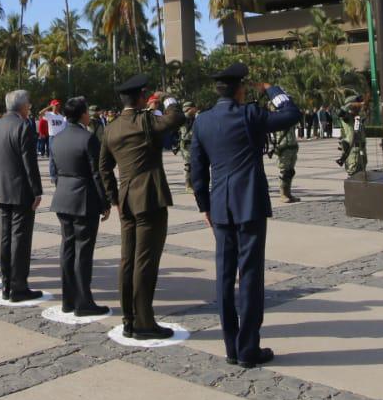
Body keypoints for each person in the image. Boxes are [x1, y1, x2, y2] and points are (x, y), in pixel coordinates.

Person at [190, 63, 301, 368]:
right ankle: (248, 347)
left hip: (220, 206)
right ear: (240, 90)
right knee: (250, 276)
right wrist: (273, 91)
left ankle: (230, 346)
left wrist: (204, 206)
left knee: (224, 277)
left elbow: (197, 171)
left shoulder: (202, 122)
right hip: (249, 203)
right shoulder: (249, 114)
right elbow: (292, 114)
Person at [98, 74, 186, 340]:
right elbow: (176, 118)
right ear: (140, 97)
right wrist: (168, 98)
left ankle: (129, 318)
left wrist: (114, 196)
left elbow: (103, 166)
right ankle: (144, 323)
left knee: (128, 260)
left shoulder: (111, 128)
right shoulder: (145, 120)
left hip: (126, 198)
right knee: (145, 262)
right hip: (149, 197)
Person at [50, 96, 110, 316]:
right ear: (82, 114)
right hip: (84, 199)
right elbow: (97, 173)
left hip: (63, 197)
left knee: (67, 249)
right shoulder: (88, 138)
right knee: (83, 252)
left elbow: (54, 172)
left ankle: (69, 299)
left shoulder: (57, 138)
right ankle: (84, 302)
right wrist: (105, 201)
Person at [0, 88, 44, 302]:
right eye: (28, 103)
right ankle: (18, 286)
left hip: (0, 189)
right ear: (22, 106)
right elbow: (30, 163)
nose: (30, 107)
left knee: (6, 236)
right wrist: (37, 190)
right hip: (20, 191)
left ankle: (7, 284)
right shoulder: (23, 127)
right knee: (20, 239)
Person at [272, 118, 299, 202]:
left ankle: (288, 193)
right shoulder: (278, 117)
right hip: (283, 147)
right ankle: (283, 194)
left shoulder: (290, 116)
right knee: (284, 172)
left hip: (292, 145)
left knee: (290, 172)